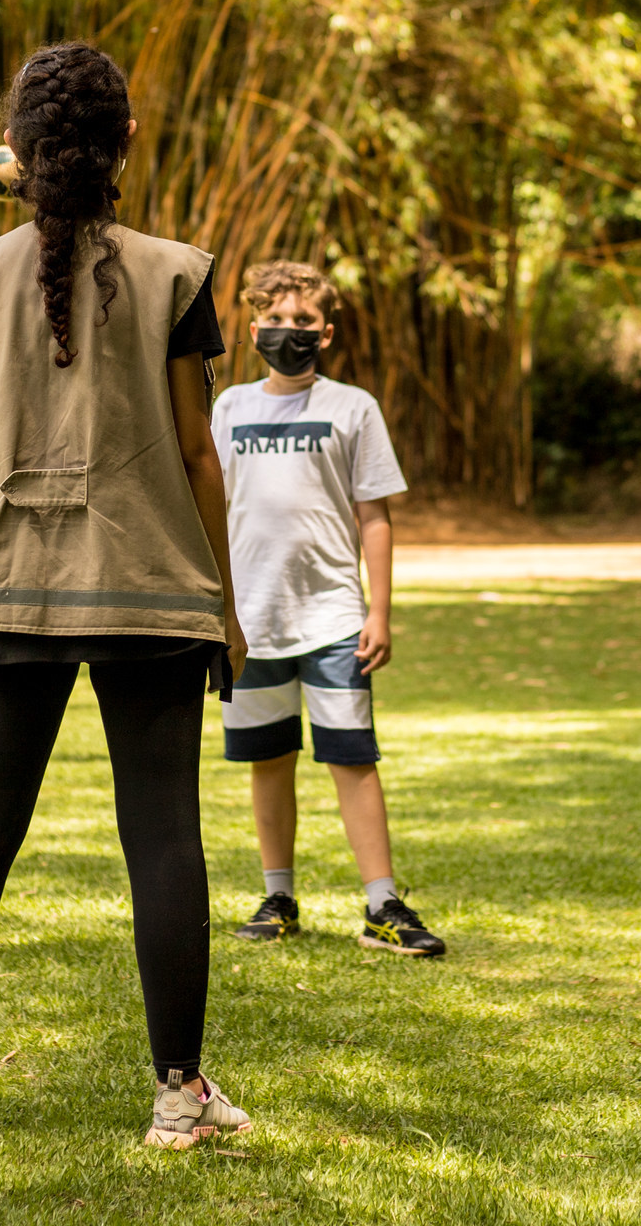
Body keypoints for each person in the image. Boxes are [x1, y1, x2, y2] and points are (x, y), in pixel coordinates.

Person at [0, 42, 255, 1150]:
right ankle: (178, 1095)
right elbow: (197, 455)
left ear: (18, 146)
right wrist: (225, 608)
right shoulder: (177, 272)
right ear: (127, 143)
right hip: (154, 592)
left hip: (2, 590)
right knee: (163, 837)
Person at [213, 260, 443, 957]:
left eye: (304, 321)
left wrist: (380, 612)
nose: (289, 331)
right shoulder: (230, 409)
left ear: (327, 332)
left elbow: (374, 515)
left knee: (352, 758)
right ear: (253, 328)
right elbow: (209, 512)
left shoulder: (353, 408)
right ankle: (278, 897)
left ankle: (382, 903)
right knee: (269, 759)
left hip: (335, 618)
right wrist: (218, 612)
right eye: (275, 320)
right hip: (251, 622)